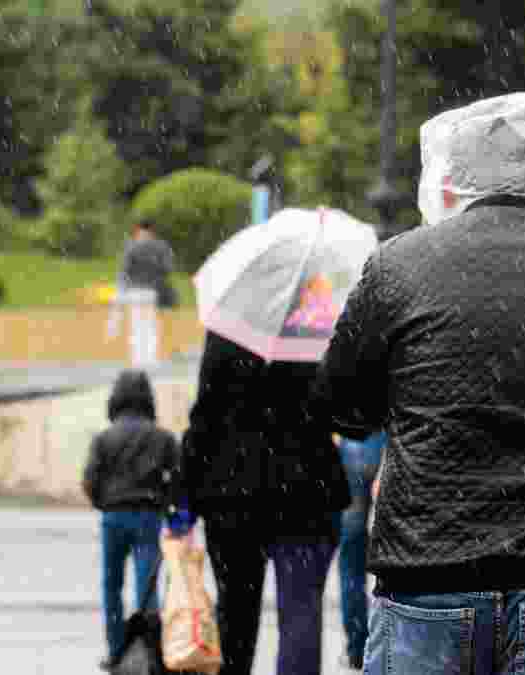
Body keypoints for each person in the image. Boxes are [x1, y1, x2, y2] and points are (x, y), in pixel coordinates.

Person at [315, 91, 525, 675]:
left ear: (451, 182)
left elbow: (339, 403)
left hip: (427, 571)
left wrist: (406, 406)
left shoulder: (396, 265)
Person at [181, 330, 351, 675]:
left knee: (235, 614)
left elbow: (205, 416)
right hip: (305, 492)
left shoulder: (232, 328)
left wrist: (184, 494)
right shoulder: (316, 327)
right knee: (301, 613)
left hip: (233, 495)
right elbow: (340, 410)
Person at [82, 369, 195, 671]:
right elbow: (178, 481)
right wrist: (175, 516)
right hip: (148, 517)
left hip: (114, 518)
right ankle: (150, 652)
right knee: (148, 588)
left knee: (112, 585)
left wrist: (104, 503)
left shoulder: (104, 439)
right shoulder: (163, 439)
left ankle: (117, 650)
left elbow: (91, 480)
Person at [334, 429, 386, 672]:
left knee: (350, 556)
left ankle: (357, 647)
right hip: (386, 443)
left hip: (353, 441)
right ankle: (384, 643)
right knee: (389, 552)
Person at [111, 221, 177, 367]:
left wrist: (121, 289)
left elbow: (124, 271)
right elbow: (168, 268)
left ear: (137, 231)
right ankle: (150, 359)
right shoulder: (161, 247)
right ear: (152, 232)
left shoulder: (132, 246)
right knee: (150, 326)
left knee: (137, 327)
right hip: (152, 291)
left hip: (135, 291)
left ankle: (137, 359)